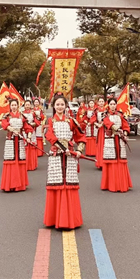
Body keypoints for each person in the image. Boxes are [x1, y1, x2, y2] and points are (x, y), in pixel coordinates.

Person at [44, 93, 86, 229]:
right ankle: (55, 219)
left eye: (62, 104)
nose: (60, 107)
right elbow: (49, 135)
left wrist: (79, 150)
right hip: (56, 156)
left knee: (69, 184)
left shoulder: (72, 121)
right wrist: (62, 147)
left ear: (66, 106)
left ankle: (70, 219)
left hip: (70, 157)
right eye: (57, 104)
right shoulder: (50, 121)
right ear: (53, 106)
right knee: (56, 183)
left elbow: (81, 136)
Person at [100, 98, 133, 193]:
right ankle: (111, 184)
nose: (113, 106)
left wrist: (125, 133)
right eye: (111, 104)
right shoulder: (105, 115)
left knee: (120, 160)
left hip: (119, 139)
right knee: (111, 160)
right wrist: (116, 129)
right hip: (110, 139)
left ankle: (121, 183)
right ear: (108, 105)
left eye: (114, 104)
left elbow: (126, 126)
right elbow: (107, 123)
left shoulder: (121, 115)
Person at [0, 99, 29, 192]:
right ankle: (10, 184)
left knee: (20, 159)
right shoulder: (6, 116)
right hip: (10, 140)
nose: (14, 106)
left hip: (19, 140)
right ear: (10, 106)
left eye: (15, 105)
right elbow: (4, 124)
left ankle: (20, 184)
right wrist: (11, 129)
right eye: (12, 105)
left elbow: (27, 127)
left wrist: (28, 137)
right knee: (10, 160)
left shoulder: (22, 116)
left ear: (18, 106)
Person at [90, 96, 107, 169]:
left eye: (102, 101)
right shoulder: (96, 111)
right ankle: (100, 162)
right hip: (100, 130)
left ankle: (106, 162)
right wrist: (98, 124)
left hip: (107, 129)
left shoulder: (107, 110)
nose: (101, 103)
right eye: (100, 101)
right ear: (98, 103)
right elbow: (92, 120)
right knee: (100, 145)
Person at [22, 98, 39, 171]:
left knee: (32, 147)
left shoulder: (33, 113)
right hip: (23, 132)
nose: (27, 106)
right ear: (24, 105)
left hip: (32, 131)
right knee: (24, 148)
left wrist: (33, 124)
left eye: (28, 104)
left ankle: (32, 164)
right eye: (26, 104)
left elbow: (38, 122)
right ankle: (24, 164)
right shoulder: (21, 113)